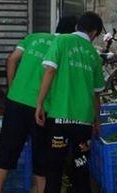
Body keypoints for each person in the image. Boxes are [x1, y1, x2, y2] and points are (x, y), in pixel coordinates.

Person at [0, 16, 77, 193]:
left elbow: (11, 59)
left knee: (6, 151)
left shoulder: (34, 37)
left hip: (15, 101)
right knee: (41, 158)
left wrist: (12, 87)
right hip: (43, 109)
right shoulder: (67, 47)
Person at [35, 12, 105, 193]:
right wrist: (97, 121)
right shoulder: (94, 55)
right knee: (80, 167)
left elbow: (49, 72)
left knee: (54, 169)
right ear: (94, 32)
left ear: (77, 27)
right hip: (83, 120)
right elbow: (96, 94)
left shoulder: (61, 41)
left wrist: (40, 103)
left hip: (59, 118)